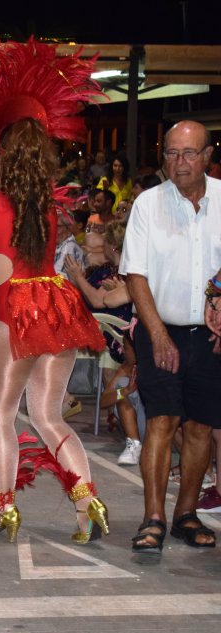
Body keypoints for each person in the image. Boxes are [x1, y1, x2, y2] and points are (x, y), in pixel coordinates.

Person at [0, 38, 108, 545]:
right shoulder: (48, 209)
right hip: (58, 311)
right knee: (48, 415)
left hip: (16, 316)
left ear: (0, 155)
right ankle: (87, 505)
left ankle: (3, 510)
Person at [121, 120, 221, 554]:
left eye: (189, 153)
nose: (179, 162)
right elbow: (135, 275)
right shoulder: (148, 204)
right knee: (161, 421)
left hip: (210, 337)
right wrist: (158, 335)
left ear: (207, 156)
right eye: (171, 153)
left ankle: (185, 514)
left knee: (200, 426)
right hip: (159, 328)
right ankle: (153, 518)